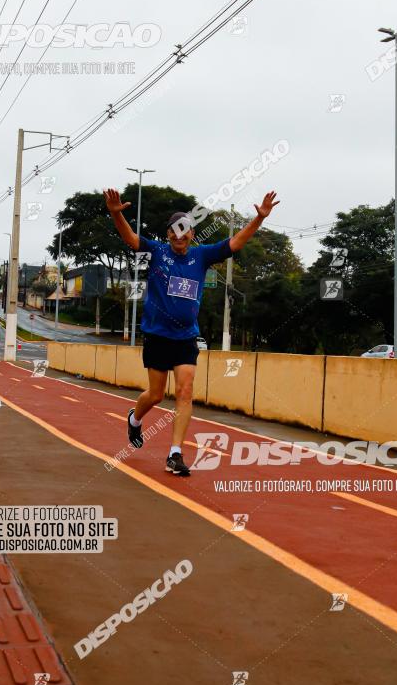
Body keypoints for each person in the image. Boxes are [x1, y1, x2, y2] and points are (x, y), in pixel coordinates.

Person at [103, 188, 279, 476]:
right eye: (174, 232)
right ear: (168, 235)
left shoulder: (202, 256)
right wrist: (116, 213)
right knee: (157, 395)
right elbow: (130, 239)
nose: (179, 236)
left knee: (185, 391)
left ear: (192, 234)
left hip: (186, 337)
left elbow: (235, 243)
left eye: (185, 231)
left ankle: (175, 454)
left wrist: (258, 219)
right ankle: (135, 418)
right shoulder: (157, 252)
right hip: (157, 336)